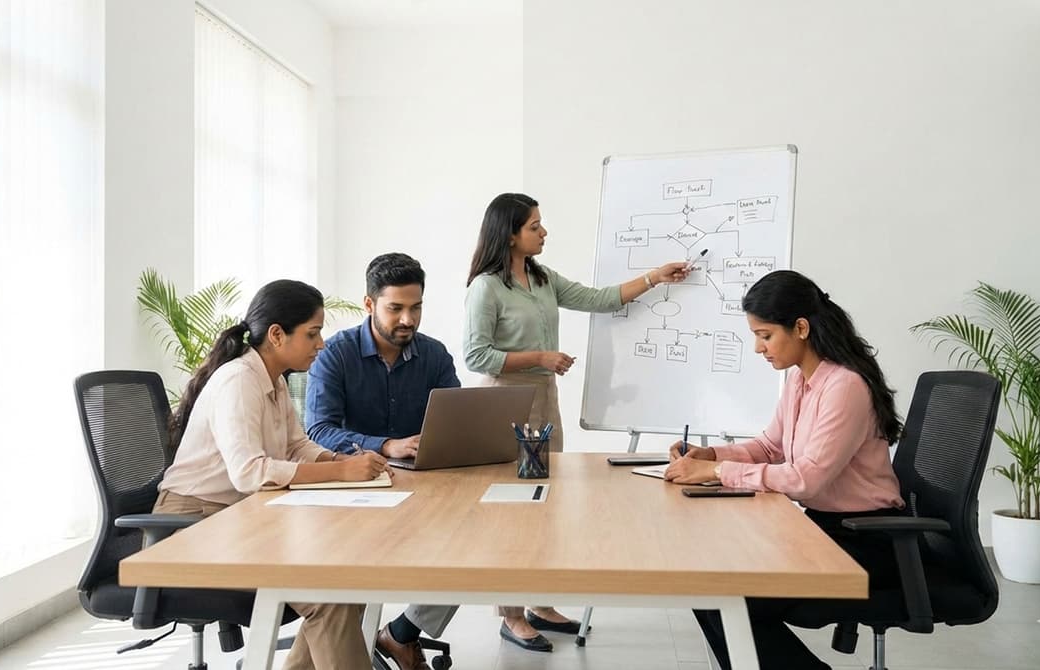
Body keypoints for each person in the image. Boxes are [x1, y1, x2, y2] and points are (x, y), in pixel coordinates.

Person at [462, 192, 690, 652]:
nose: (543, 232)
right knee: (514, 509)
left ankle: (540, 604)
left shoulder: (542, 278)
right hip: (506, 401)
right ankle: (510, 615)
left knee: (546, 502)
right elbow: (475, 354)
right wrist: (540, 356)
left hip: (545, 397)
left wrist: (655, 277)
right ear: (509, 234)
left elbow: (599, 298)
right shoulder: (487, 287)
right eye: (534, 226)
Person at [663, 269, 905, 670]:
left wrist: (718, 474)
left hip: (867, 540)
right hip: (824, 530)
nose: (759, 348)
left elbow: (806, 479)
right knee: (705, 586)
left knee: (730, 599)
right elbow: (770, 447)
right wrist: (710, 455)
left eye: (765, 335)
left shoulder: (844, 385)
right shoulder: (800, 379)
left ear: (801, 328)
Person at [154, 279, 388, 670]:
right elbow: (250, 473)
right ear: (277, 335)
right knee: (328, 596)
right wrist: (341, 472)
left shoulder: (273, 378)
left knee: (345, 581)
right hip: (190, 525)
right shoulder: (239, 380)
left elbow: (296, 446)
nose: (321, 343)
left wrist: (335, 461)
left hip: (238, 518)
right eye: (312, 333)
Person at [304, 253, 461, 670]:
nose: (408, 319)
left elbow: (460, 420)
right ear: (370, 305)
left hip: (421, 488)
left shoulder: (434, 356)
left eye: (416, 307)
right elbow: (317, 429)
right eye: (396, 308)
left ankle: (402, 633)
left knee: (471, 542)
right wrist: (385, 444)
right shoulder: (334, 355)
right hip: (351, 492)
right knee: (343, 584)